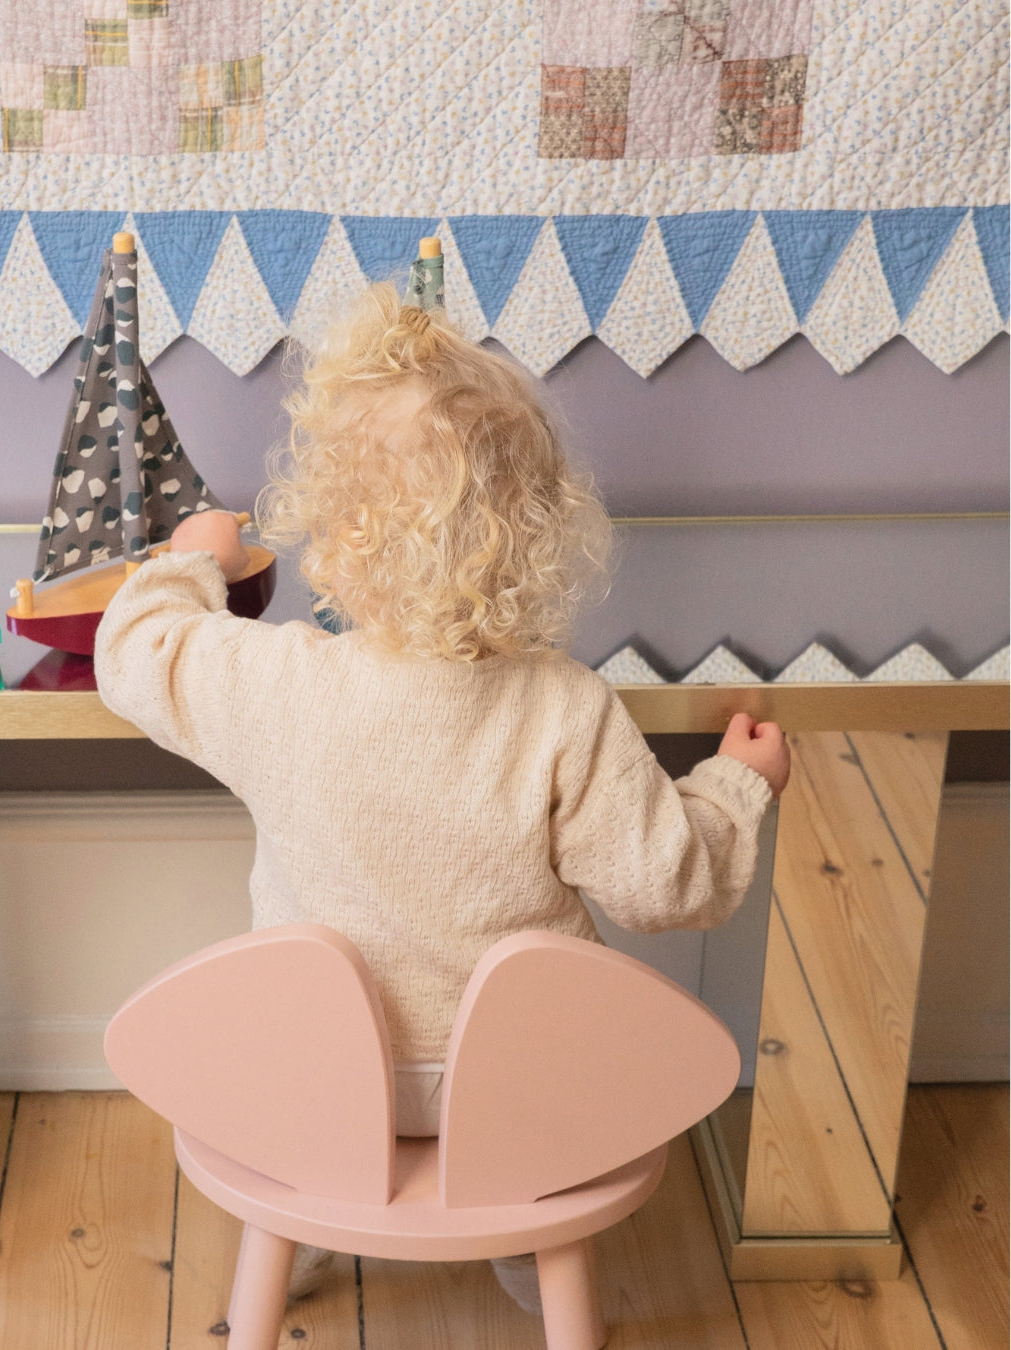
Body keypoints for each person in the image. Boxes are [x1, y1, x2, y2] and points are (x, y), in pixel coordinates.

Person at [94, 284, 790, 1313]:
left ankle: (313, 1223)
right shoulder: (564, 709)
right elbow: (667, 884)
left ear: (335, 529)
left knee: (307, 1076)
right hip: (511, 1093)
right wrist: (737, 783)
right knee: (539, 1089)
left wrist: (192, 561)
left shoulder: (281, 684)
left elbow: (135, 655)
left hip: (318, 1087)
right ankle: (519, 1231)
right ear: (534, 538)